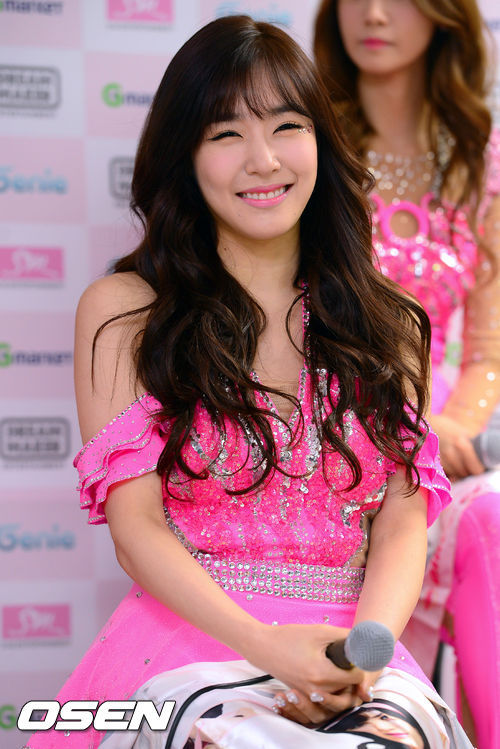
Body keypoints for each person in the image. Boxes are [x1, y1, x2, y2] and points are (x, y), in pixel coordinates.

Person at [24, 15, 463, 749]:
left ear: (321, 141)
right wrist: (266, 645)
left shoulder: (390, 324)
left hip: (357, 654)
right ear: (185, 156)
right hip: (189, 640)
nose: (263, 160)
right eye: (226, 133)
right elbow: (136, 529)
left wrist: (362, 658)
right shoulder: (125, 313)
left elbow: (400, 523)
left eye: (287, 126)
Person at [313, 0, 500, 746]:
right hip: (325, 416)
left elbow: (487, 349)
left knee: (490, 517)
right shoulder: (308, 142)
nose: (373, 14)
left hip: (439, 427)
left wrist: (453, 428)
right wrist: (404, 423)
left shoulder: (479, 161)